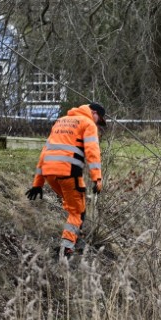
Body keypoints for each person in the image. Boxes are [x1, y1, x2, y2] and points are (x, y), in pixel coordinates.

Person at [25, 103, 106, 257]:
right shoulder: (88, 123)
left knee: (75, 202)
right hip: (68, 172)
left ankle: (75, 238)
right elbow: (92, 152)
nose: (97, 123)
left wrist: (38, 183)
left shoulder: (61, 121)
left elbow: (45, 152)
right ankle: (67, 248)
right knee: (78, 211)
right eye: (99, 119)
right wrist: (97, 178)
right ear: (93, 112)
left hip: (49, 174)